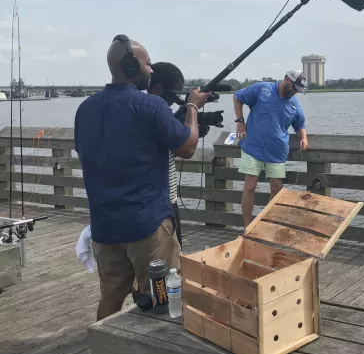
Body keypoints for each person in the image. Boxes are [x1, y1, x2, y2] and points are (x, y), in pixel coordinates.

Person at [74, 35, 209, 320]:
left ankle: (105, 349)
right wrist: (193, 108)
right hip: (147, 226)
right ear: (132, 68)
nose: (151, 70)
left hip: (104, 226)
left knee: (110, 296)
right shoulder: (151, 106)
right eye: (147, 63)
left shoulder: (85, 109)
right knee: (165, 298)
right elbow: (188, 146)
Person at [147, 61, 211, 248]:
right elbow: (187, 149)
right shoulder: (156, 111)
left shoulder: (136, 109)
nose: (175, 100)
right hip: (161, 206)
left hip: (159, 200)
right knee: (169, 267)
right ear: (158, 89)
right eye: (174, 94)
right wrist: (192, 107)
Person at [233, 70, 309, 227]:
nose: (295, 92)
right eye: (294, 88)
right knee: (250, 186)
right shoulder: (262, 89)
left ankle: (265, 226)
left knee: (276, 188)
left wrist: (304, 138)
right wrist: (240, 120)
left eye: (298, 91)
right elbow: (238, 96)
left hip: (277, 150)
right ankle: (247, 226)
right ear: (287, 79)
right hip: (253, 146)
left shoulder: (294, 104)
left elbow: (299, 124)